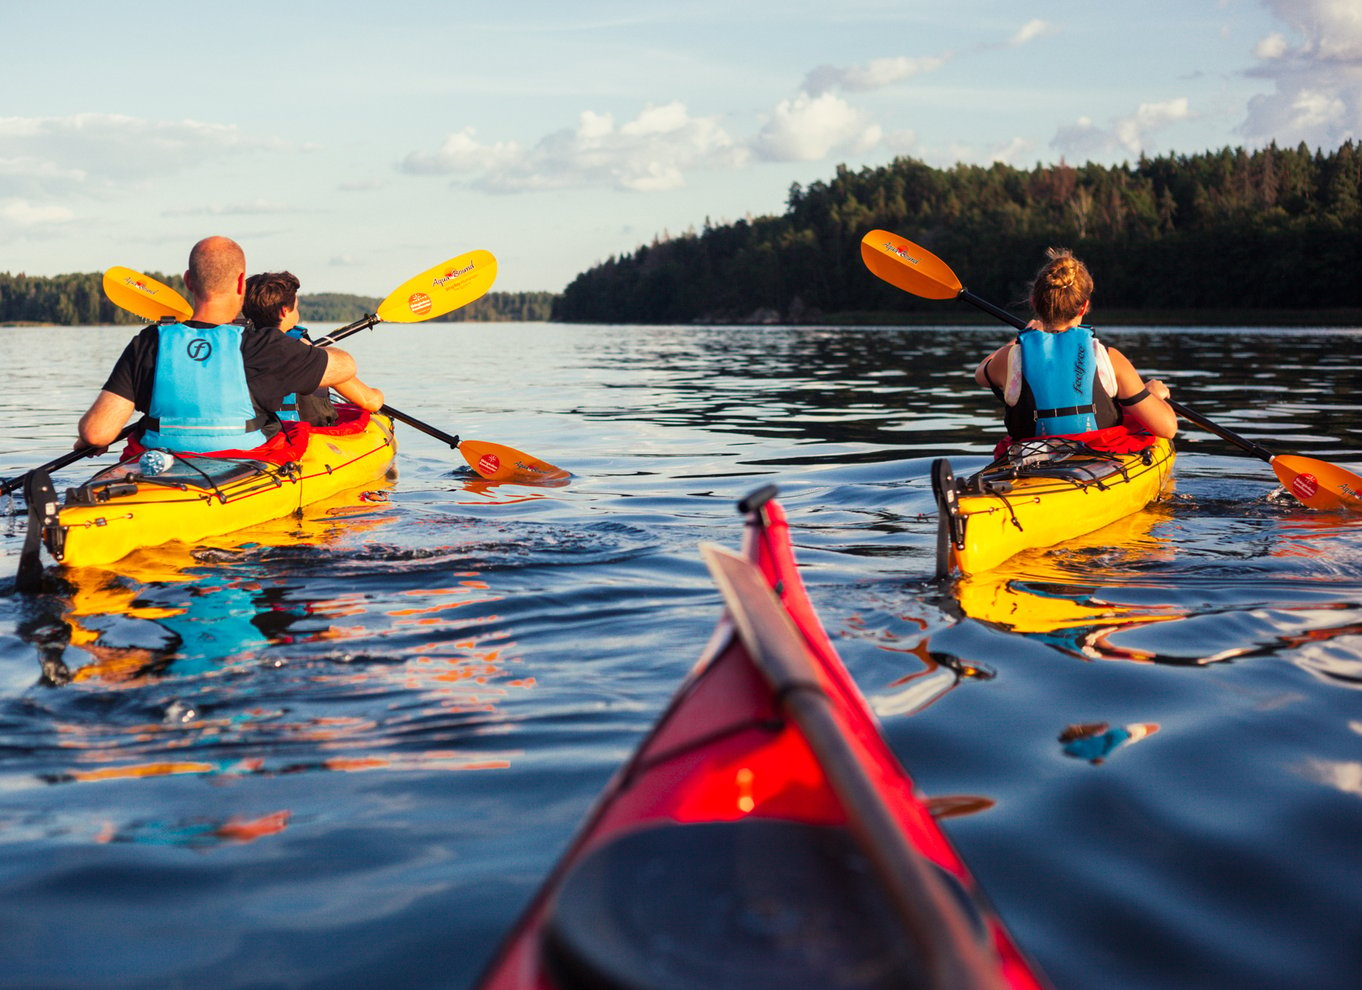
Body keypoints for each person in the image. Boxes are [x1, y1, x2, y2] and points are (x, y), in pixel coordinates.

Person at [76, 236, 383, 456]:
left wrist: (92, 442)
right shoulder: (265, 347)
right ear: (241, 284)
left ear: (188, 281)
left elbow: (97, 433)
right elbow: (346, 366)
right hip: (243, 468)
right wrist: (307, 349)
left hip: (163, 467)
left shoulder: (150, 342)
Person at [973, 248, 1177, 448]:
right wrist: (1153, 395)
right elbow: (1168, 429)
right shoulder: (1110, 359)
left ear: (1034, 303)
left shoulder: (1009, 358)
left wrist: (1021, 339)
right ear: (1083, 306)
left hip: (1030, 460)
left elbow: (981, 372)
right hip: (1099, 463)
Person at [242, 270, 346, 427]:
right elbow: (370, 400)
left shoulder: (236, 347)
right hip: (308, 438)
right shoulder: (302, 352)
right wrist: (316, 353)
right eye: (296, 307)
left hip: (260, 433)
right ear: (284, 311)